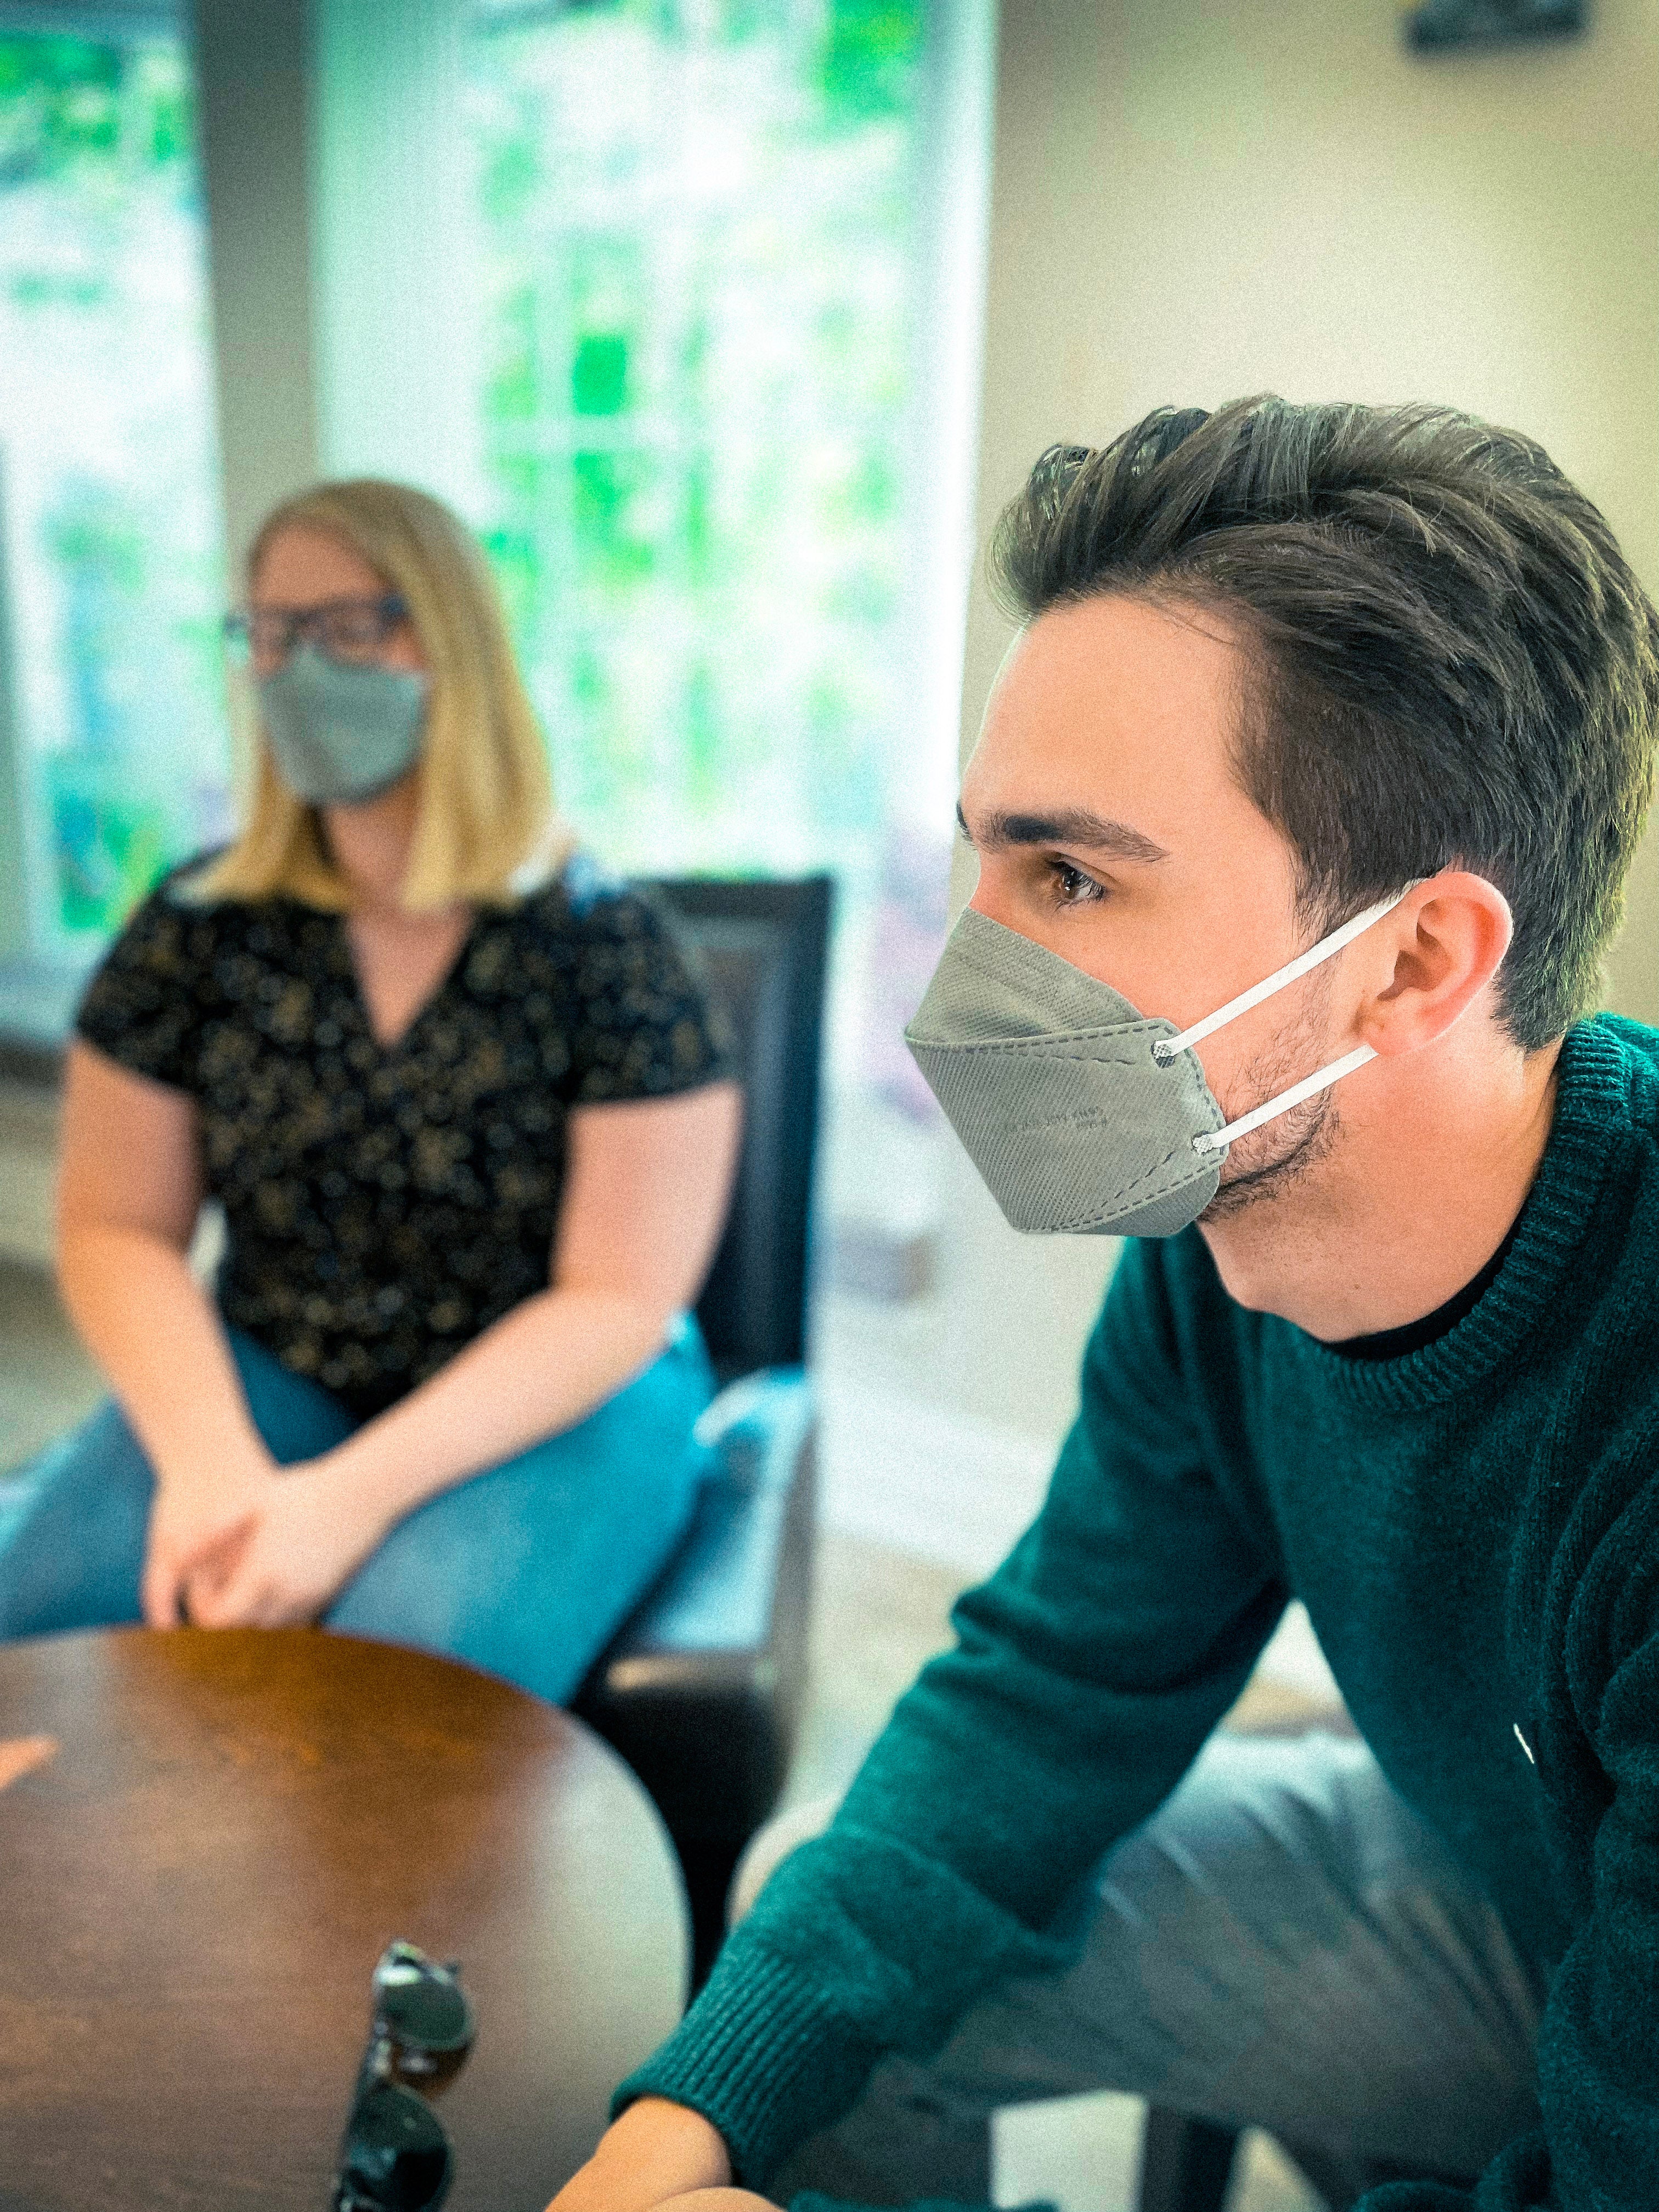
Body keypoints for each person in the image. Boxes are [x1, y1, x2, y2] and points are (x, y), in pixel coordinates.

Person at [546, 398, 1659, 2212]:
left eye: (1067, 875)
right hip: (1494, 1883)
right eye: (981, 861)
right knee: (824, 1970)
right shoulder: (1219, 1243)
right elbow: (1056, 1683)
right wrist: (665, 2136)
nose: (957, 961)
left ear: (1411, 960)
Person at [0, 477, 742, 1706]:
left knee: (393, 1698)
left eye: (349, 628)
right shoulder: (197, 929)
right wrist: (211, 1465)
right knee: (40, 1632)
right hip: (280, 1360)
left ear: (450, 644)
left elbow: (616, 1297)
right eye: (270, 633)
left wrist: (345, 1502)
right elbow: (115, 1228)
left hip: (557, 1399)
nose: (299, 668)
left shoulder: (608, 948)